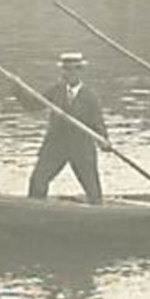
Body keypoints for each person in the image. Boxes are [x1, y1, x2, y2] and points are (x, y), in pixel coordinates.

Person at [19, 52, 107, 204]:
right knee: (38, 181)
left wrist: (104, 140)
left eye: (73, 70)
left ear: (80, 71)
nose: (69, 74)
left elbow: (97, 122)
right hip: (56, 146)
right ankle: (36, 214)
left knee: (93, 192)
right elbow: (33, 105)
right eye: (66, 70)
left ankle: (100, 216)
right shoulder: (56, 90)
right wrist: (18, 89)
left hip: (81, 148)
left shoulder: (90, 96)